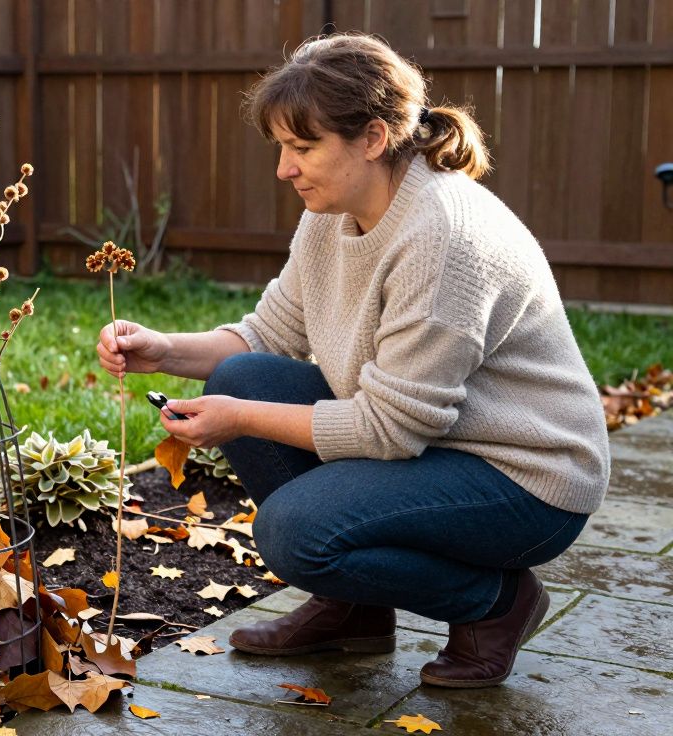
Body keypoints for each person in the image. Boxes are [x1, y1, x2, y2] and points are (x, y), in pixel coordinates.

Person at [96, 33, 609, 689]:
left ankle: (497, 606)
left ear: (372, 138)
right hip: (438, 447)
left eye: (303, 147)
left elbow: (389, 430)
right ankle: (354, 611)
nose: (284, 168)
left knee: (294, 533)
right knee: (240, 375)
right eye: (283, 146)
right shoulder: (333, 212)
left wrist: (240, 420)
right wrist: (163, 351)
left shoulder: (441, 235)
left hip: (525, 481)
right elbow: (268, 333)